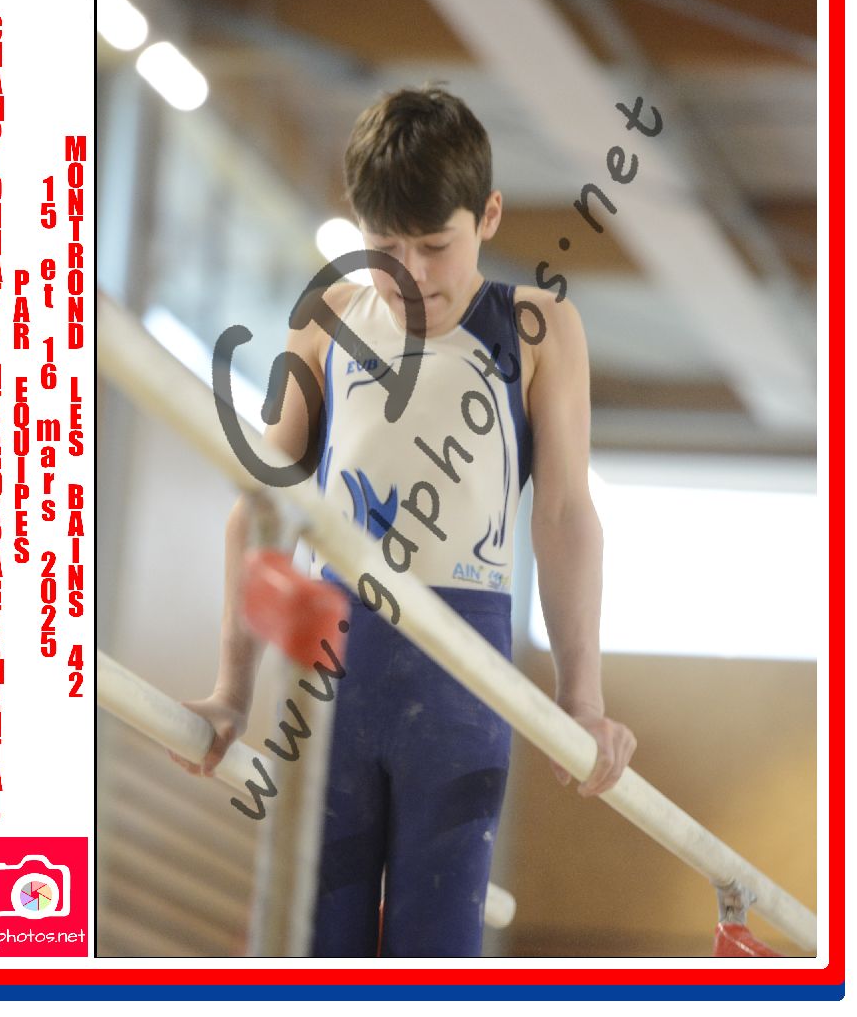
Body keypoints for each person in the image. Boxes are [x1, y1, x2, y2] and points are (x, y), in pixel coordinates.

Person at [172, 85, 637, 956]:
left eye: (435, 246)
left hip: (464, 684)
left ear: (488, 216)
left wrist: (582, 699)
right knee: (315, 954)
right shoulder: (325, 324)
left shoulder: (537, 327)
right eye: (385, 248)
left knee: (436, 960)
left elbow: (566, 514)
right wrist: (232, 688)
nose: (413, 275)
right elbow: (262, 514)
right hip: (330, 684)